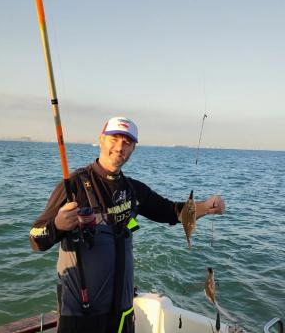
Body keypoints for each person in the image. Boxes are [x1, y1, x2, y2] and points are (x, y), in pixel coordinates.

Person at [29, 116, 225, 333]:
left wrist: (207, 207)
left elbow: (173, 211)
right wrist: (57, 225)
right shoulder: (73, 186)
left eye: (127, 142)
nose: (120, 147)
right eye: (114, 139)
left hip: (122, 313)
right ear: (101, 140)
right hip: (80, 316)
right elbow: (35, 239)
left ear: (133, 149)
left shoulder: (133, 191)